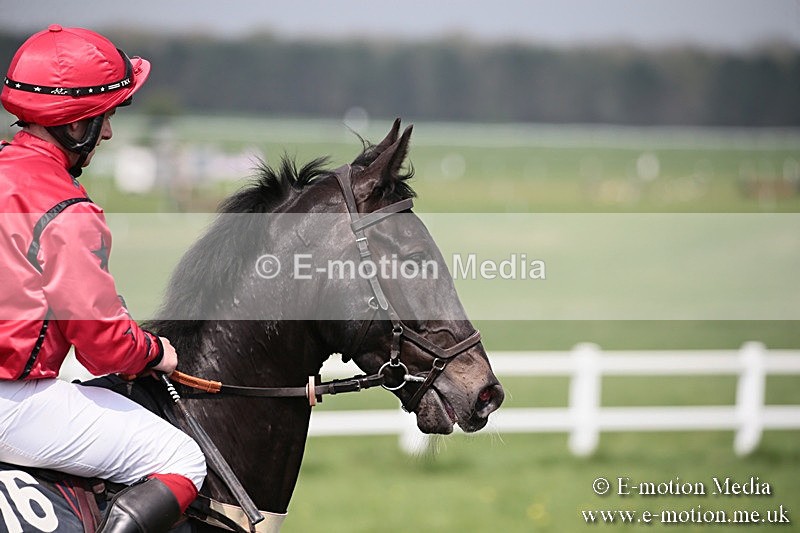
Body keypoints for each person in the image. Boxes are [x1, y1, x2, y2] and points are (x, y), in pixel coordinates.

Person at [0, 25, 206, 532]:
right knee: (183, 458)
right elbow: (102, 348)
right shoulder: (69, 210)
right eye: (104, 116)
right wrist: (156, 351)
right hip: (13, 400)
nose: (108, 132)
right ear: (74, 125)